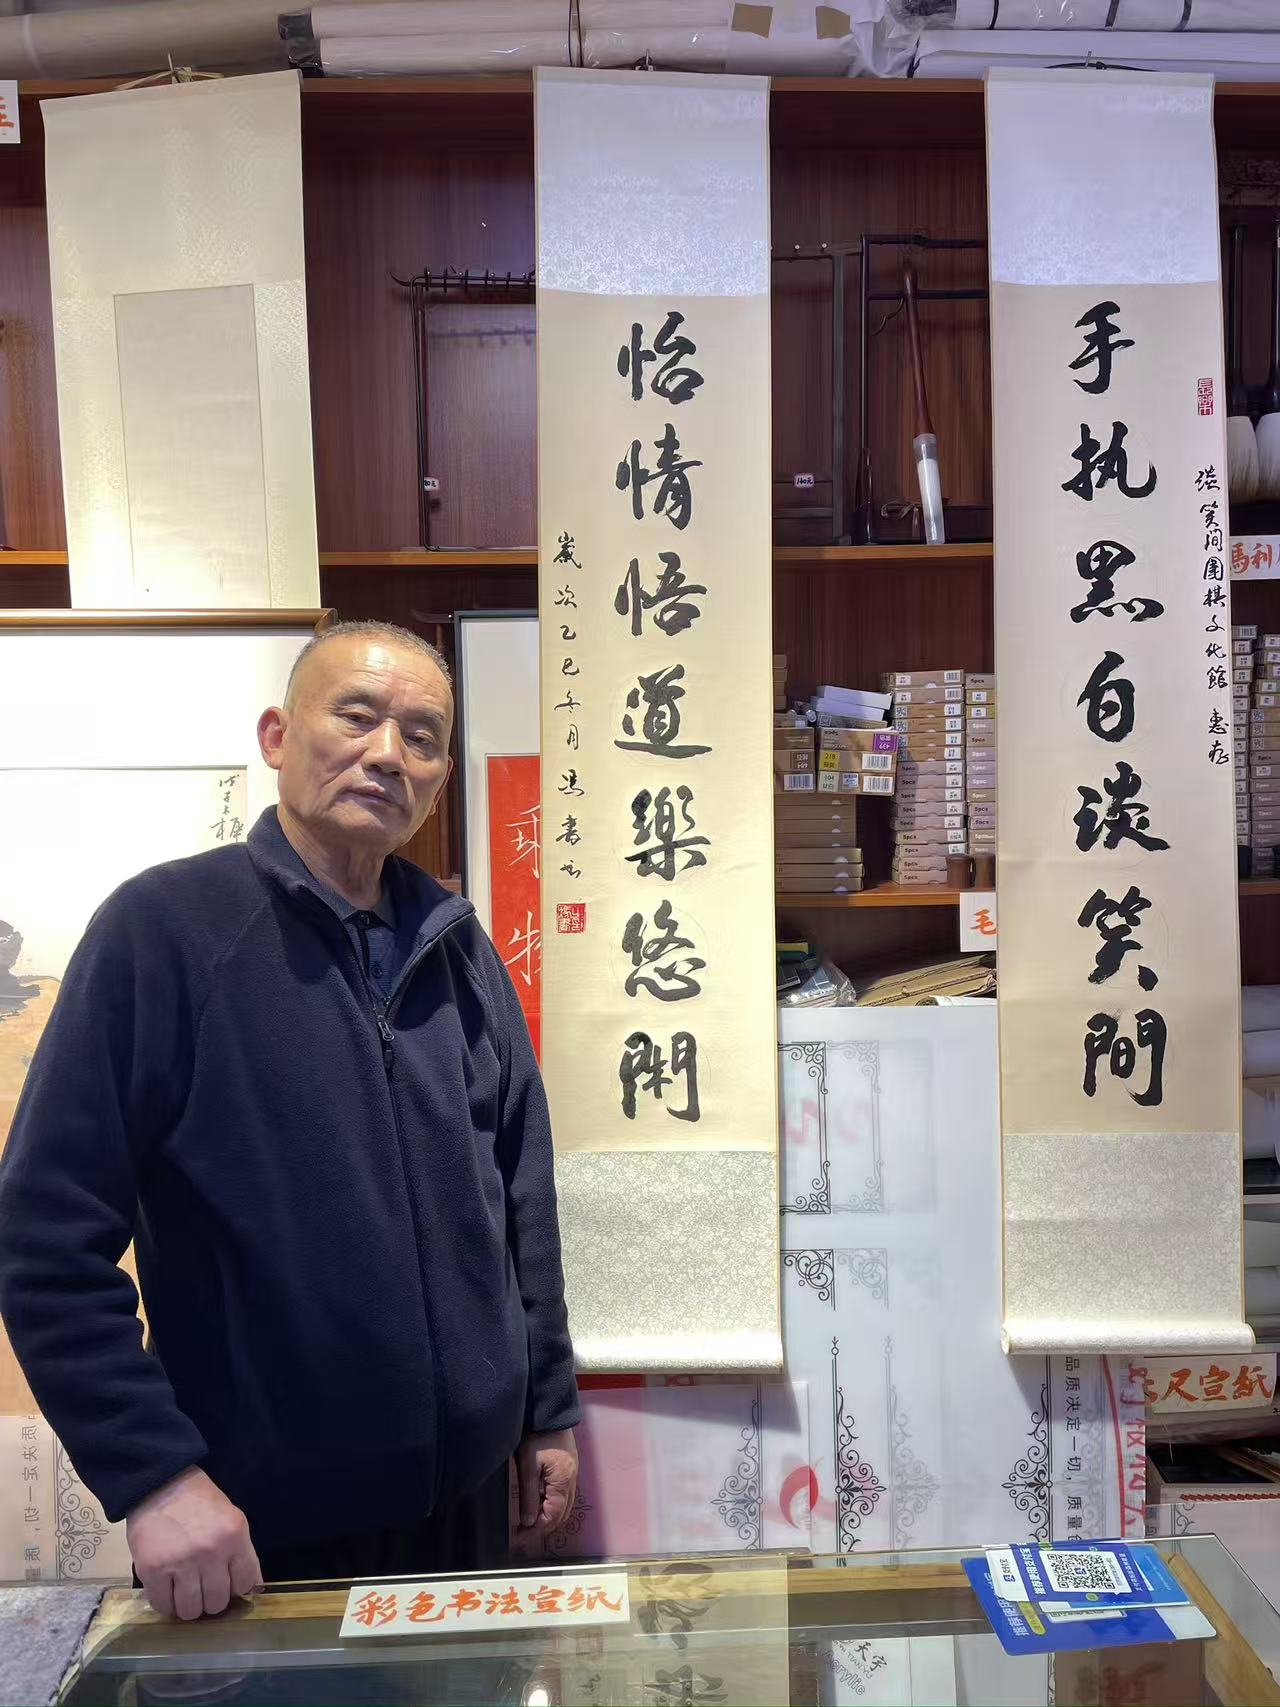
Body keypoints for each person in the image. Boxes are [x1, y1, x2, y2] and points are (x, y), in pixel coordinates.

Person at [0, 621, 579, 1619]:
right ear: (277, 735)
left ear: (439, 780)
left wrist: (546, 1411)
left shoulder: (459, 949)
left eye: (421, 737)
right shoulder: (164, 932)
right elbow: (43, 1238)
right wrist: (153, 1475)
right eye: (356, 717)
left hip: (470, 1516)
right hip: (255, 1528)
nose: (387, 753)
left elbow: (523, 1199)